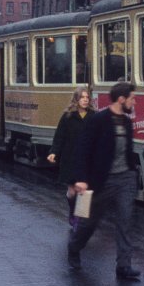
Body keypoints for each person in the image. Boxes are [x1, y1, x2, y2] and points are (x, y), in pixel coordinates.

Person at [67, 81, 142, 281]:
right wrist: (80, 179)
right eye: (132, 98)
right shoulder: (98, 120)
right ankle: (74, 247)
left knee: (125, 221)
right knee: (90, 222)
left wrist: (133, 172)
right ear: (121, 99)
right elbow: (82, 150)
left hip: (125, 178)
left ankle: (124, 266)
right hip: (103, 180)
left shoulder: (126, 121)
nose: (134, 102)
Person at [47, 86, 94, 228]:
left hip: (87, 159)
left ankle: (80, 220)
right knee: (73, 191)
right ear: (76, 99)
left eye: (87, 98)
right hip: (70, 158)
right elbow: (59, 136)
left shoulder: (93, 116)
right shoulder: (68, 116)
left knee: (84, 191)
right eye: (82, 98)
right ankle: (73, 212)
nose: (85, 100)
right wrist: (54, 151)